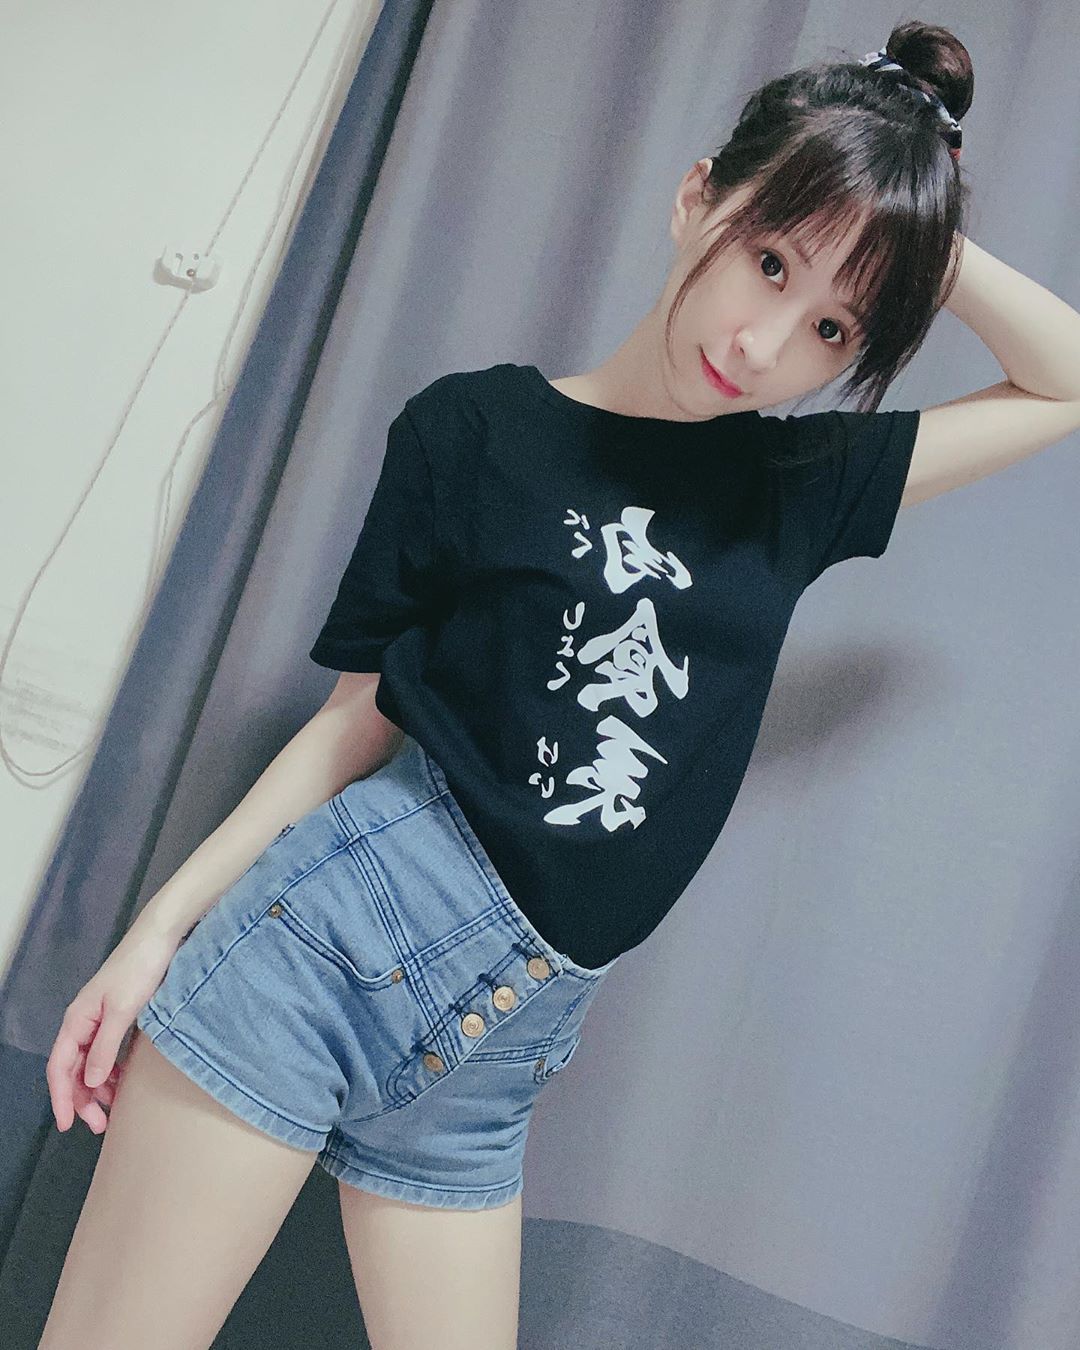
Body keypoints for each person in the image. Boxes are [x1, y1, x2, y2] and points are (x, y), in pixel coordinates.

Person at [39, 20, 1080, 1350]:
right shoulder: (472, 429)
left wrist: (905, 212)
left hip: (495, 1055)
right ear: (696, 194)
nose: (767, 341)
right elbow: (357, 720)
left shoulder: (793, 490)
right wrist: (154, 933)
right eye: (769, 257)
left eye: (832, 324)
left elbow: (1065, 380)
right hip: (320, 952)